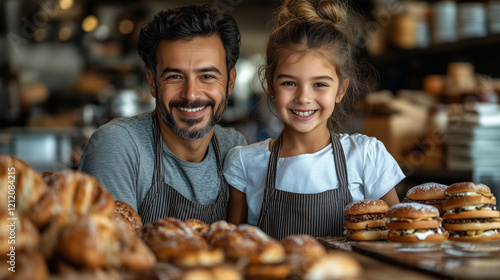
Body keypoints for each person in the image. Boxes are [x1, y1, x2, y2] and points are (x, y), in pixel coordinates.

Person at [223, 0, 404, 240]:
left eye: (320, 84)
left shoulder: (365, 156)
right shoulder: (245, 164)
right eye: (289, 83)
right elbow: (234, 249)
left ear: (341, 90)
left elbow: (399, 237)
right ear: (270, 85)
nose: (304, 97)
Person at [78, 4, 247, 225]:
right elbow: (112, 253)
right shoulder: (118, 146)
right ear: (152, 82)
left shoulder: (234, 149)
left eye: (206, 76)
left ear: (230, 81)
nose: (191, 94)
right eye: (175, 77)